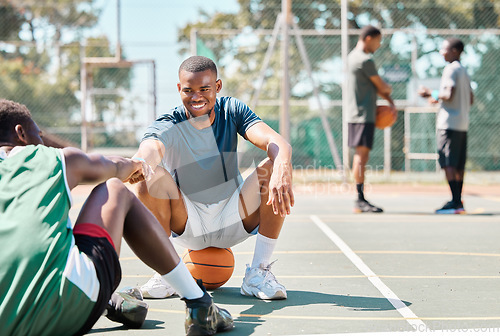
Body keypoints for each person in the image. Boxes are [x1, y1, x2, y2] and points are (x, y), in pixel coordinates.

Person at [0, 99, 233, 336]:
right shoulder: (45, 158)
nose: (41, 141)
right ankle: (199, 304)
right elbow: (113, 166)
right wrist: (135, 165)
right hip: (67, 309)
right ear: (20, 133)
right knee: (114, 189)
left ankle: (109, 303)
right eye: (37, 134)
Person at [130, 56, 294, 301]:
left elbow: (274, 141)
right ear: (179, 89)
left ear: (217, 87)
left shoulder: (232, 110)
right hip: (188, 221)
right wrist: (141, 162)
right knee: (150, 177)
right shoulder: (170, 122)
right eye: (188, 90)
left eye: (204, 89)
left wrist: (282, 165)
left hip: (233, 215)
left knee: (273, 165)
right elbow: (151, 149)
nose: (196, 97)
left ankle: (258, 273)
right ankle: (166, 275)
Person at [418, 38, 474, 214]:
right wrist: (439, 99)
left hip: (448, 124)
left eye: (445, 49)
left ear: (455, 51)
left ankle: (455, 202)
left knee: (448, 163)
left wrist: (430, 92)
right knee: (458, 164)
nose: (442, 52)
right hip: (462, 123)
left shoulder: (450, 69)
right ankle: (458, 201)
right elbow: (470, 98)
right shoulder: (464, 70)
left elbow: (448, 94)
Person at [346, 25, 397, 213]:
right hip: (362, 115)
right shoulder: (365, 60)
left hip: (356, 113)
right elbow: (382, 86)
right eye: (378, 40)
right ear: (369, 38)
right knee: (361, 156)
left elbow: (374, 88)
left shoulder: (352, 57)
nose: (379, 44)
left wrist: (389, 100)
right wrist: (390, 93)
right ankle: (359, 200)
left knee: (361, 155)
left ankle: (360, 199)